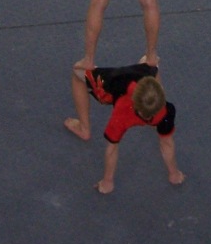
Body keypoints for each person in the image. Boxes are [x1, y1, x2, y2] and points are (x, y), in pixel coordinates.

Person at [64, 61, 183, 194]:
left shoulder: (121, 113)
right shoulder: (166, 112)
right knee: (152, 65)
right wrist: (174, 174)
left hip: (115, 85)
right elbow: (167, 143)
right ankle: (173, 174)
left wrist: (107, 182)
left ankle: (84, 128)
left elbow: (112, 149)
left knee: (77, 72)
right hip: (147, 96)